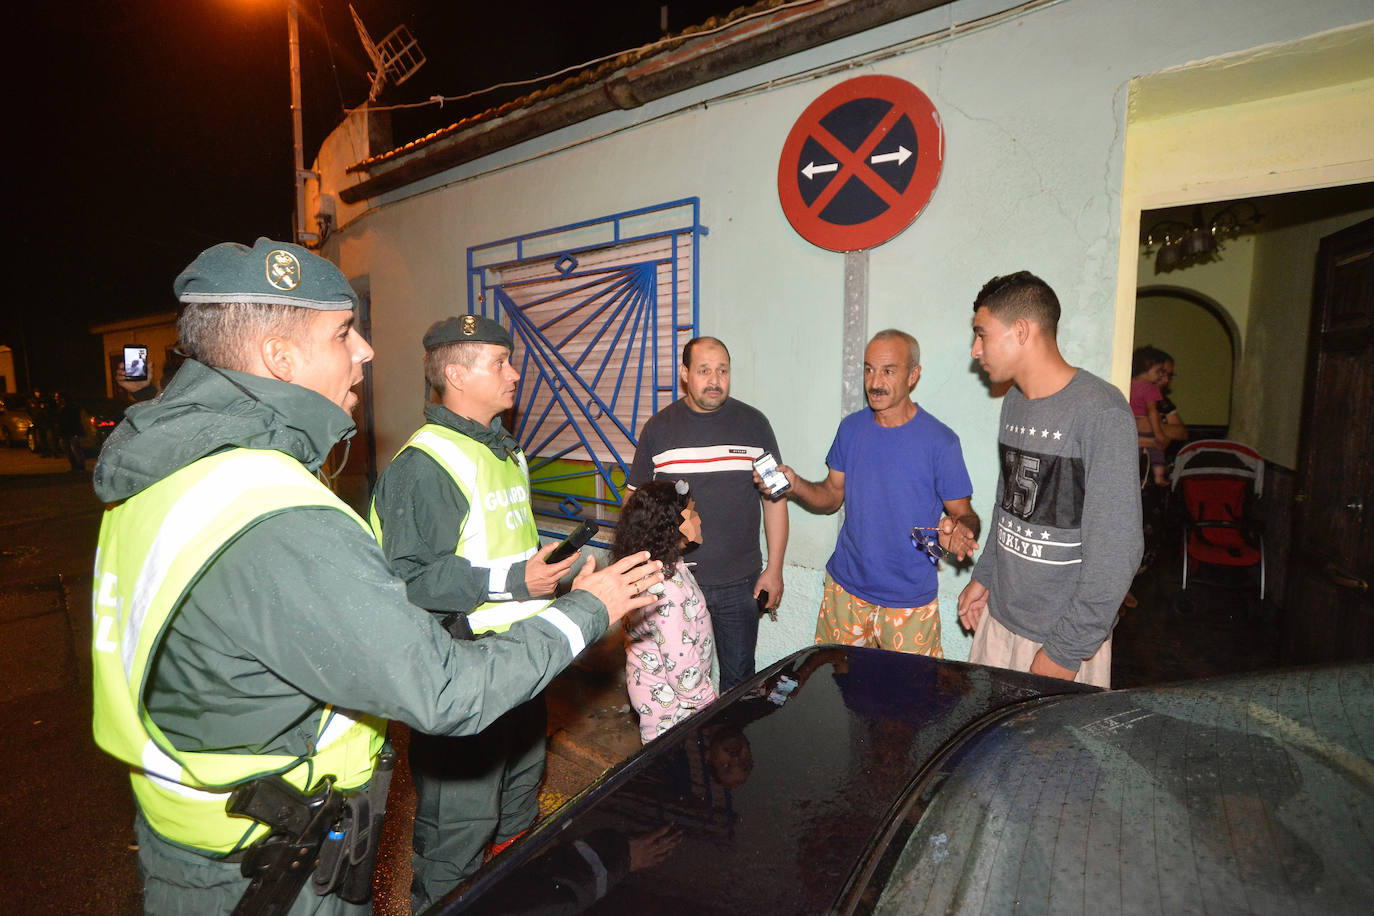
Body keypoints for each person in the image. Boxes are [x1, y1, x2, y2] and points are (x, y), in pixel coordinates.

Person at [89, 238, 663, 915]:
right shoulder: (271, 510)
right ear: (280, 357)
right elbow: (442, 684)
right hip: (271, 869)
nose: (364, 350)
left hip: (215, 842)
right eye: (342, 333)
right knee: (455, 850)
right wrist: (588, 608)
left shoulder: (183, 478)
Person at [369, 313, 583, 911]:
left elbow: (502, 548)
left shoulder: (504, 451)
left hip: (518, 666)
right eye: (500, 363)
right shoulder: (425, 464)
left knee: (517, 808)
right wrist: (517, 577)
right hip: (462, 676)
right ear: (457, 375)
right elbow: (408, 577)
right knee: (455, 840)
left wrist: (548, 576)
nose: (515, 373)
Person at [958, 271, 1142, 688]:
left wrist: (1064, 650)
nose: (975, 350)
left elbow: (1118, 551)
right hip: (1000, 619)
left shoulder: (1101, 412)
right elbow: (1009, 503)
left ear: (1021, 331)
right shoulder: (1014, 403)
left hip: (1061, 638)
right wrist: (984, 576)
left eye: (982, 334)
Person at [765, 330, 980, 657]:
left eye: (888, 371)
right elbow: (831, 495)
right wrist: (795, 485)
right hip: (845, 591)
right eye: (869, 369)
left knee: (911, 702)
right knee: (835, 691)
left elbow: (963, 513)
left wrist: (962, 531)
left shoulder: (940, 442)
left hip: (909, 602)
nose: (875, 381)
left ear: (913, 376)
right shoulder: (851, 429)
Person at [627, 337, 788, 690]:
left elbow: (775, 499)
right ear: (685, 374)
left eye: (722, 371)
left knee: (739, 681)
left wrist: (774, 569)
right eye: (704, 371)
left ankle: (730, 745)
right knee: (676, 685)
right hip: (673, 584)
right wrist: (637, 573)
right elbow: (634, 509)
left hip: (740, 584)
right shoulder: (658, 429)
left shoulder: (755, 425)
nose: (714, 380)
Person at [610, 479, 717, 744]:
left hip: (664, 703)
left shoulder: (656, 570)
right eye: (691, 512)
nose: (699, 518)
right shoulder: (666, 590)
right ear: (671, 526)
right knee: (670, 774)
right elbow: (681, 668)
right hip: (672, 714)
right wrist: (710, 706)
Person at [1129, 345, 1169, 486]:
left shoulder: (1127, 383)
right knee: (1157, 449)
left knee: (1132, 452)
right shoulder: (1151, 389)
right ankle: (1159, 477)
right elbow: (1152, 411)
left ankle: (1129, 478)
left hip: (1128, 424)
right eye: (1158, 371)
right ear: (1145, 370)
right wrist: (1158, 433)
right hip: (1143, 427)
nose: (1160, 376)